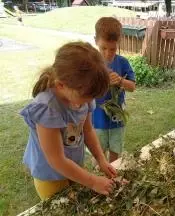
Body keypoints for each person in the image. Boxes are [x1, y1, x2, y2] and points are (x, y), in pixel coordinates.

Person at [20, 41, 117, 200]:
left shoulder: (83, 95)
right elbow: (57, 160)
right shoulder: (47, 108)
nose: (88, 103)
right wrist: (92, 181)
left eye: (90, 99)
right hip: (50, 176)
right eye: (85, 98)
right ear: (60, 85)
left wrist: (101, 159)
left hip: (75, 167)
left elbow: (87, 130)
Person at [92, 17, 136, 163]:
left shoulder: (123, 63)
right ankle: (100, 176)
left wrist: (121, 81)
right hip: (97, 118)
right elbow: (85, 90)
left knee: (115, 152)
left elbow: (132, 87)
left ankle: (113, 173)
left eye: (112, 49)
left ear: (118, 44)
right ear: (95, 41)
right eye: (103, 48)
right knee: (98, 153)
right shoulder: (91, 64)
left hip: (117, 119)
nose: (107, 53)